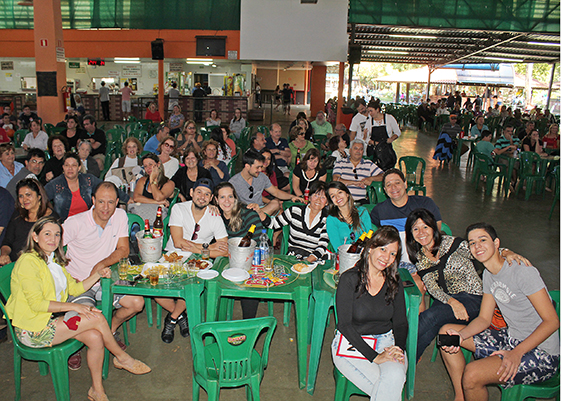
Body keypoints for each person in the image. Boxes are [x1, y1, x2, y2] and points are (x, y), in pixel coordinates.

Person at [5, 216, 150, 401]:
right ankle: (122, 358)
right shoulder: (28, 261)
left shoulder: (53, 261)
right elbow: (37, 304)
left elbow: (74, 288)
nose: (53, 239)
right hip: (32, 329)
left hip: (50, 320)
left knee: (95, 336)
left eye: (57, 234)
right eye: (47, 234)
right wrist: (76, 307)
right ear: (35, 237)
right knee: (96, 318)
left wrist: (97, 274)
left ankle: (97, 390)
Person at [439, 222, 559, 401]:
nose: (477, 246)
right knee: (446, 333)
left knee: (472, 374)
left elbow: (552, 322)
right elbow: (484, 319)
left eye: (482, 239)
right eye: (472, 243)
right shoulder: (488, 274)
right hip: (511, 338)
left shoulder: (523, 272)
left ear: (496, 244)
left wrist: (517, 352)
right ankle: (461, 396)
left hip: (542, 352)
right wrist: (461, 336)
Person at [62, 182, 145, 366]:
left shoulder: (120, 216)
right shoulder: (75, 223)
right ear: (93, 201)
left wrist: (100, 264)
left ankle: (111, 329)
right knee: (86, 318)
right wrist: (63, 277)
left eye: (110, 202)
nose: (105, 208)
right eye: (100, 202)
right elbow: (49, 248)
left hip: (106, 279)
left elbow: (123, 250)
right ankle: (74, 345)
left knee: (137, 303)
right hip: (79, 283)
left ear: (117, 202)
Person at [332, 226, 408, 401]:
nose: (386, 258)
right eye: (383, 249)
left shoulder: (394, 282)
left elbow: (401, 323)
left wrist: (399, 349)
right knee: (389, 389)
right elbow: (344, 325)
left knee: (394, 378)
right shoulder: (349, 279)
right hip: (351, 344)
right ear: (371, 248)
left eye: (393, 254)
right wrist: (374, 357)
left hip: (386, 342)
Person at [405, 208, 483, 361]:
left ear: (433, 227)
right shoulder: (420, 258)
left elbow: (481, 250)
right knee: (429, 329)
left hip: (474, 299)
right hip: (449, 302)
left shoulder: (452, 243)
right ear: (411, 234)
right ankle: (407, 363)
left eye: (425, 227)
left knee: (430, 316)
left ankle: (398, 346)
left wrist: (505, 252)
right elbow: (432, 288)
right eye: (416, 228)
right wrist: (452, 302)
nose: (421, 232)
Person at [160, 178, 228, 342]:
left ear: (211, 198)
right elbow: (178, 242)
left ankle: (172, 319)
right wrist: (209, 248)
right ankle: (181, 316)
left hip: (199, 260)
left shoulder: (214, 215)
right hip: (173, 255)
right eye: (199, 192)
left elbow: (224, 250)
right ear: (191, 192)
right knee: (154, 284)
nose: (202, 197)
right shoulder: (179, 208)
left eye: (207, 194)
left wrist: (198, 249)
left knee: (192, 283)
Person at [370, 168, 442, 300]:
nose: (394, 187)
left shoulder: (425, 204)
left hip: (423, 259)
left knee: (417, 288)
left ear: (405, 184)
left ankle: (418, 320)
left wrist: (423, 267)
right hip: (395, 262)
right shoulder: (379, 211)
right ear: (385, 190)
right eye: (389, 185)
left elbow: (436, 235)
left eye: (397, 183)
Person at [212, 182, 264, 319]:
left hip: (253, 258)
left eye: (230, 196)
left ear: (235, 198)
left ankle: (248, 324)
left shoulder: (248, 214)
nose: (227, 201)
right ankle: (217, 323)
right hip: (226, 259)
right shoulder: (214, 217)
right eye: (222, 197)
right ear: (216, 200)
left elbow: (257, 243)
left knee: (248, 284)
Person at [45, 153, 130, 221]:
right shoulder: (55, 184)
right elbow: (41, 198)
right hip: (65, 223)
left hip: (89, 222)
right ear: (63, 168)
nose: (70, 168)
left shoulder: (88, 180)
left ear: (79, 168)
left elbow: (107, 188)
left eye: (74, 165)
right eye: (67, 165)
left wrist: (128, 199)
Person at [262, 181, 329, 262]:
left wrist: (307, 261)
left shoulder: (327, 220)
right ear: (309, 197)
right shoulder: (295, 211)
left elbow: (322, 247)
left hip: (314, 258)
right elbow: (273, 224)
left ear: (327, 203)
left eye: (323, 197)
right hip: (293, 256)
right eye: (316, 195)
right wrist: (258, 211)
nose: (318, 200)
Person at [0, 178, 58, 265]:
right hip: (14, 263)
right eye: (21, 196)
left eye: (28, 195)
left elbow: (54, 248)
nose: (24, 200)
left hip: (39, 264)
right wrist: (4, 254)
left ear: (39, 196)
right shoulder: (18, 215)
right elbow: (7, 242)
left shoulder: (51, 219)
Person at [230, 149, 303, 217]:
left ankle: (257, 218)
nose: (260, 170)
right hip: (246, 212)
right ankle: (255, 219)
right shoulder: (234, 182)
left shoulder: (262, 177)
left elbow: (276, 192)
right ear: (247, 166)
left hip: (262, 209)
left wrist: (292, 196)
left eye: (261, 167)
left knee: (275, 204)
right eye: (257, 167)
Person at [333, 139, 383, 204]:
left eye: (361, 149)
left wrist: (371, 179)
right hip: (343, 201)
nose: (358, 151)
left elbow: (383, 175)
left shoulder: (368, 164)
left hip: (362, 202)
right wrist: (354, 183)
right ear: (350, 150)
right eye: (355, 148)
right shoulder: (340, 163)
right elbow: (336, 179)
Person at [326, 181, 372, 250]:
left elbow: (369, 238)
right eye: (333, 196)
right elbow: (337, 248)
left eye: (340, 192)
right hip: (345, 256)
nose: (337, 197)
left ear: (347, 194)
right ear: (331, 201)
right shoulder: (331, 219)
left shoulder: (363, 212)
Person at [130, 154, 175, 223]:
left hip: (159, 219)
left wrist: (152, 180)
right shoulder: (142, 180)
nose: (148, 168)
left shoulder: (169, 183)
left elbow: (158, 197)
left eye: (150, 164)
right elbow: (136, 198)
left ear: (158, 164)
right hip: (142, 215)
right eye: (145, 166)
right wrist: (157, 202)